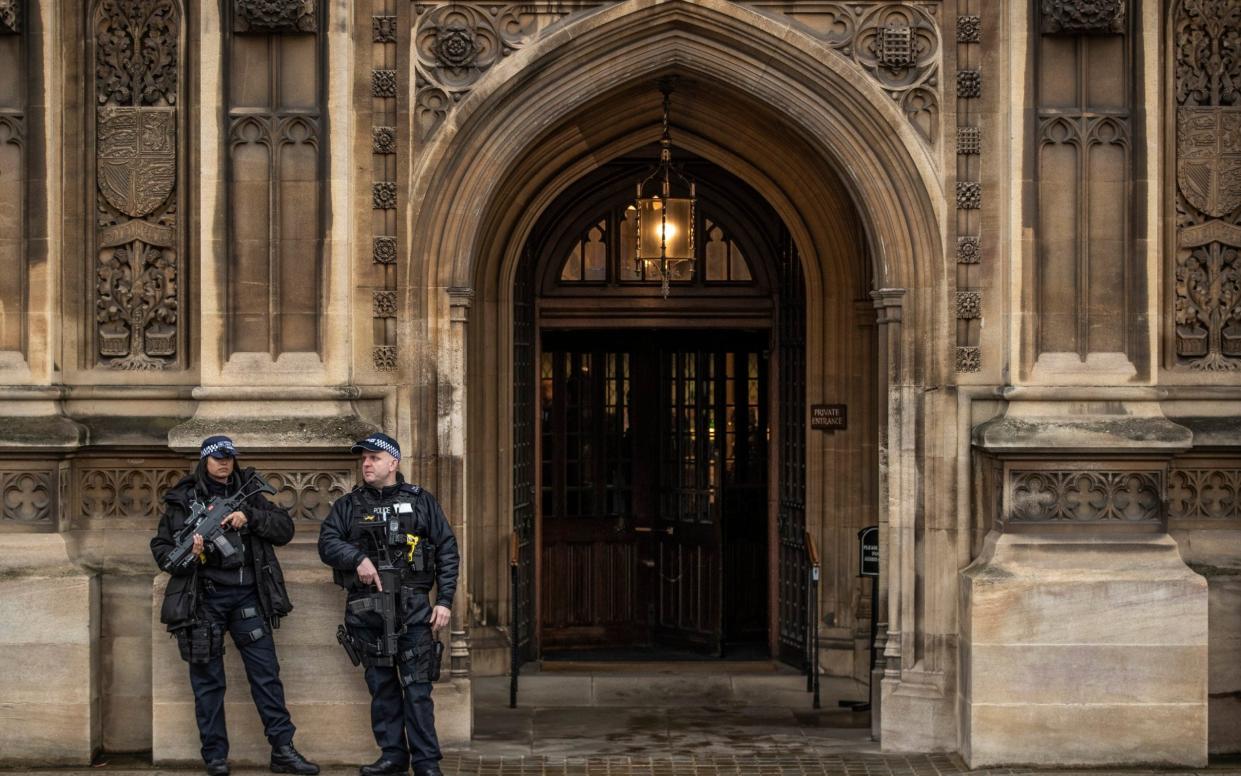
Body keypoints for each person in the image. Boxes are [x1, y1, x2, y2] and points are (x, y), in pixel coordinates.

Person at [151, 435, 319, 776]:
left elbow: (284, 529)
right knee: (208, 683)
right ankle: (215, 756)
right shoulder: (184, 498)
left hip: (247, 598)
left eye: (229, 457)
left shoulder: (251, 493)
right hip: (204, 601)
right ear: (204, 460)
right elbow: (163, 551)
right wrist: (194, 554)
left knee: (266, 676)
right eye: (217, 458)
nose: (224, 463)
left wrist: (250, 517)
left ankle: (283, 750)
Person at [318, 433, 459, 776]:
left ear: (393, 462)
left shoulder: (421, 501)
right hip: (369, 613)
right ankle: (393, 755)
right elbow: (326, 543)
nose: (366, 464)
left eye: (374, 458)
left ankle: (426, 763)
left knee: (417, 689)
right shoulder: (349, 505)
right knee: (382, 689)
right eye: (364, 459)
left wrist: (444, 600)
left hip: (413, 611)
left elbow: (447, 550)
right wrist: (357, 559)